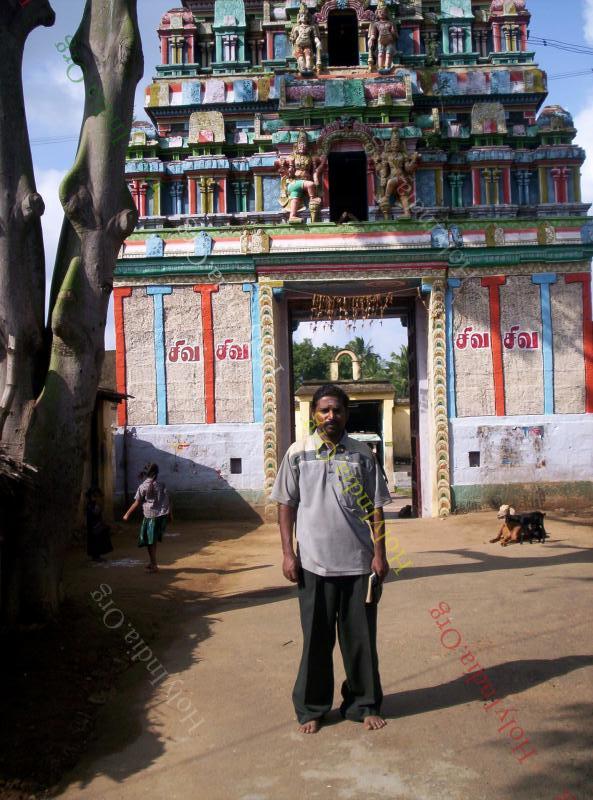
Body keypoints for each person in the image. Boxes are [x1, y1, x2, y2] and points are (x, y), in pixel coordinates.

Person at [271, 384, 392, 734]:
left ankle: (363, 703)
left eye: (337, 410)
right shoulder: (298, 453)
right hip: (313, 564)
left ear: (346, 415)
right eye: (324, 410)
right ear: (314, 415)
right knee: (316, 641)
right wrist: (287, 554)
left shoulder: (362, 455)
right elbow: (286, 505)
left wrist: (380, 554)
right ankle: (312, 708)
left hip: (358, 565)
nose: (330, 416)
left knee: (361, 641)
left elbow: (378, 509)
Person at [123, 463, 170, 572]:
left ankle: (154, 565)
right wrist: (170, 514)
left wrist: (127, 514)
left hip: (149, 517)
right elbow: (168, 500)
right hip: (160, 516)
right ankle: (153, 562)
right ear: (156, 473)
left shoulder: (142, 486)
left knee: (149, 542)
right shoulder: (161, 485)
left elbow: (137, 502)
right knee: (152, 541)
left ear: (146, 473)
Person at [86, 487, 113, 562]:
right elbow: (95, 513)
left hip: (95, 524)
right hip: (93, 525)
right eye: (95, 496)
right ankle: (95, 556)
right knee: (95, 540)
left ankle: (96, 555)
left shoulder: (93, 504)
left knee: (97, 539)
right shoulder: (91, 505)